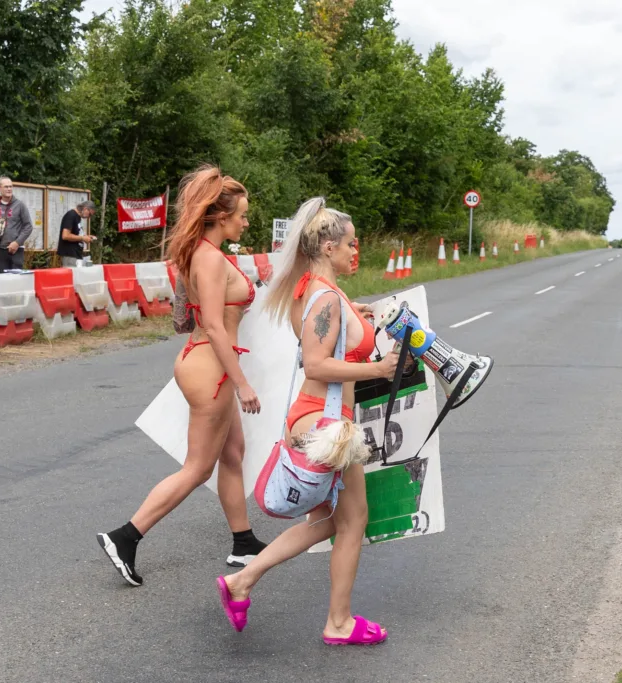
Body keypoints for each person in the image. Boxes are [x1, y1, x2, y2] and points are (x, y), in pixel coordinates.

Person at [214, 197, 399, 645]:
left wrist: (362, 315)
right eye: (351, 245)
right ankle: (338, 622)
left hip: (317, 419)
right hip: (325, 423)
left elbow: (333, 333)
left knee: (329, 522)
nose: (356, 252)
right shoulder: (324, 299)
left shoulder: (314, 290)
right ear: (329, 246)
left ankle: (243, 581)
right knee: (352, 520)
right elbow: (316, 365)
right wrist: (377, 369)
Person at [96, 165, 267, 587]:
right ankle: (126, 537)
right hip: (209, 366)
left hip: (207, 362)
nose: (246, 222)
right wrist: (242, 382)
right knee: (197, 468)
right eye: (241, 215)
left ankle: (242, 541)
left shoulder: (206, 254)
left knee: (233, 451)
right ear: (220, 217)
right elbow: (212, 323)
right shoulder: (209, 258)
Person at [0, 176, 33, 272]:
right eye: (6, 187)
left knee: (15, 282)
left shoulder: (20, 205)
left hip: (16, 250)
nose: (9, 189)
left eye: (11, 186)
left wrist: (17, 243)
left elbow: (28, 226)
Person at [56, 200, 97, 267]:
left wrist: (86, 236)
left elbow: (75, 234)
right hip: (70, 255)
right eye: (90, 214)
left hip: (76, 255)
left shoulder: (78, 217)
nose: (89, 217)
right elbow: (65, 235)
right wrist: (83, 238)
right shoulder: (71, 215)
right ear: (85, 209)